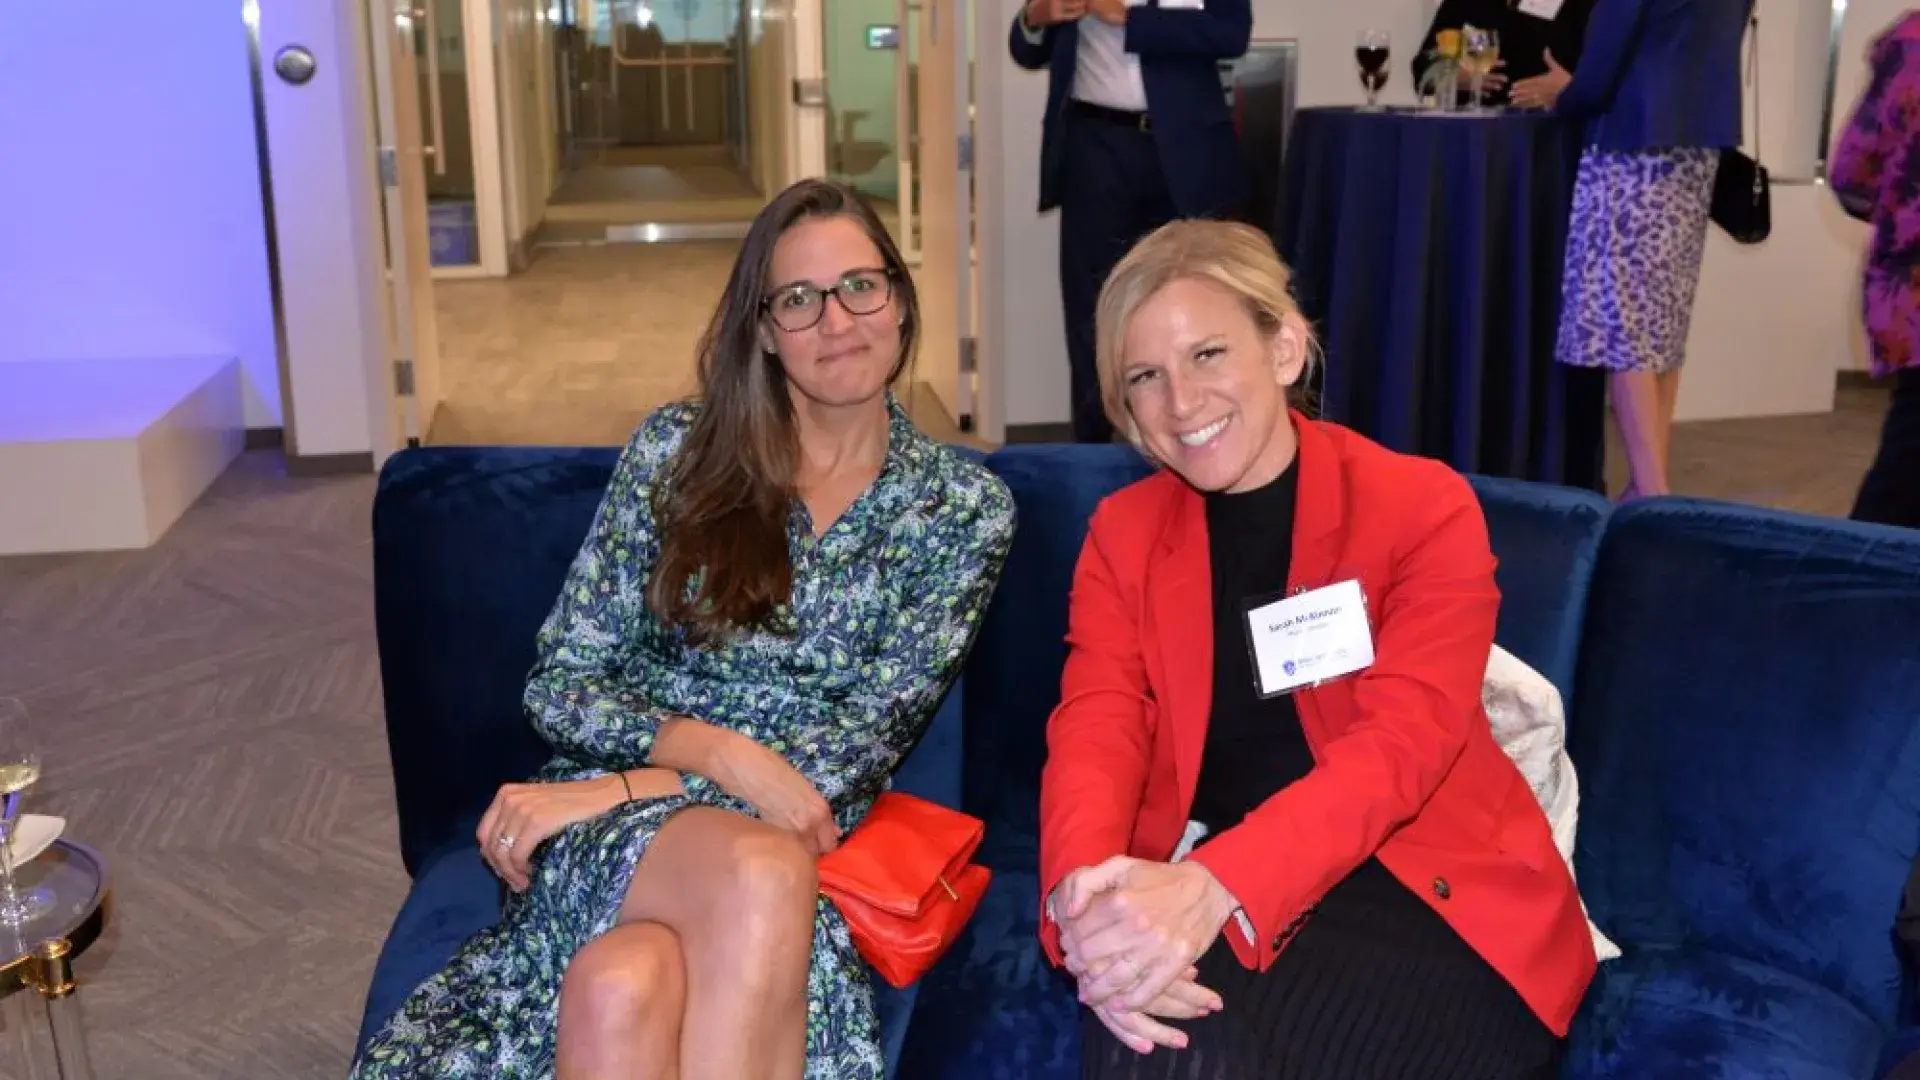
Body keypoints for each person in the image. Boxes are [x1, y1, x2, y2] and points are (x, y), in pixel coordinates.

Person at [350, 179, 1016, 1080]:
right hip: (626, 834)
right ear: (764, 331)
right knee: (761, 876)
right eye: (799, 299)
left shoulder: (962, 509)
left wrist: (631, 786)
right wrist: (707, 755)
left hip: (773, 833)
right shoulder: (679, 453)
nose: (836, 321)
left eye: (861, 286)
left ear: (899, 299)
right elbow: (562, 683)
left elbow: (843, 759)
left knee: (623, 986)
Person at [1037, 219, 1598, 1078]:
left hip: (1428, 890)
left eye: (1208, 355)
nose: (1181, 402)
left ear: (1285, 349)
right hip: (1236, 885)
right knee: (1144, 1027)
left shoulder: (1419, 508)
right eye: (1145, 376)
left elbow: (1403, 747)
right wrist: (1083, 906)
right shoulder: (1124, 535)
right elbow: (1095, 729)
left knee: (1164, 1038)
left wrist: (1213, 885)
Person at [1531, 0, 1754, 502]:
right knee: (1662, 322)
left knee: (1625, 324)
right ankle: (1647, 481)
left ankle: (1652, 492)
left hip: (1633, 140)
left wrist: (1567, 93)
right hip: (1697, 142)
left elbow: (1603, 61)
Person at [1009, 0, 1252, 445]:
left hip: (1182, 151)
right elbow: (1025, 49)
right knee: (1091, 305)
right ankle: (1092, 450)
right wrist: (1035, 18)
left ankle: (1198, 435)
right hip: (1093, 146)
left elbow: (1231, 33)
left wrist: (1128, 18)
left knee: (1194, 295)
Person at [1829, 11, 1920, 529]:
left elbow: (1853, 176)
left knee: (1899, 494)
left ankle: (1852, 577)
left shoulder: (1911, 45)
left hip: (1913, 290)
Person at [1411, 0, 1595, 108]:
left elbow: (1603, 76)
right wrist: (1451, 76)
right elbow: (1423, 67)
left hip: (1552, 136)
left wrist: (1571, 89)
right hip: (1477, 138)